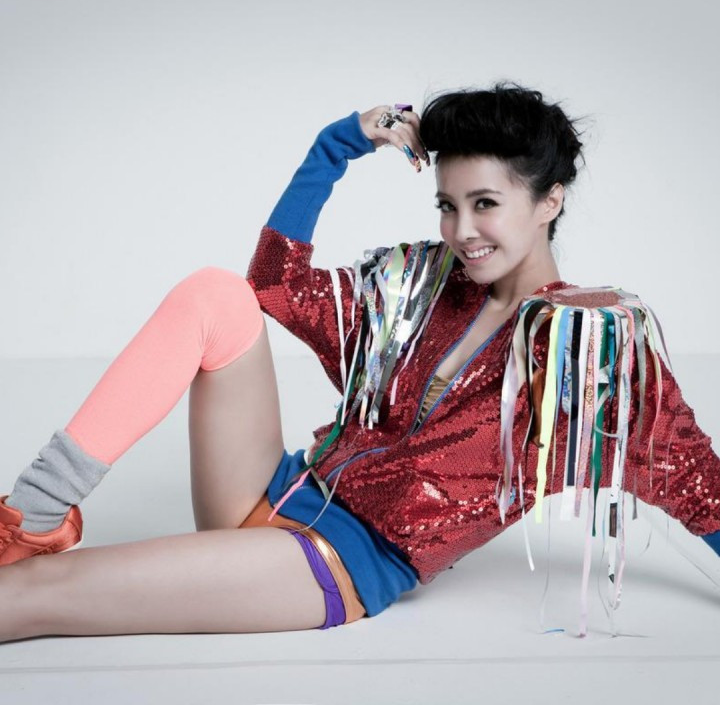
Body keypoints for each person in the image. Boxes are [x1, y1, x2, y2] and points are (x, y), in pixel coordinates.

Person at [1, 82, 718, 644]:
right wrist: (335, 146)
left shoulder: (588, 349)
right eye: (447, 205)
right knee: (216, 295)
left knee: (36, 595)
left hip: (336, 562)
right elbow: (274, 286)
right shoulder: (421, 284)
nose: (462, 230)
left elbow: (700, 485)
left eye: (485, 204)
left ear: (548, 202)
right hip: (269, 488)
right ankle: (29, 517)